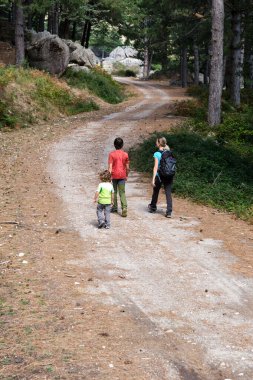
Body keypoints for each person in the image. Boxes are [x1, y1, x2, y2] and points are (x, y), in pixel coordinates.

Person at [148, 137, 173, 218]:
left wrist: (153, 180)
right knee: (168, 193)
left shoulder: (157, 154)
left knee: (156, 191)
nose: (156, 143)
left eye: (156, 142)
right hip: (169, 174)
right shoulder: (169, 152)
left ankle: (153, 207)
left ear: (159, 143)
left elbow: (155, 167)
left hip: (160, 175)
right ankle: (169, 212)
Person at [108, 137, 130, 217]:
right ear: (122, 145)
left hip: (114, 176)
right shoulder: (125, 154)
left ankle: (114, 207)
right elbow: (127, 167)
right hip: (122, 176)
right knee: (122, 192)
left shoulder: (111, 154)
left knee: (114, 192)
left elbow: (110, 167)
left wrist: (109, 177)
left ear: (114, 145)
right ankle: (124, 207)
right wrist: (126, 175)